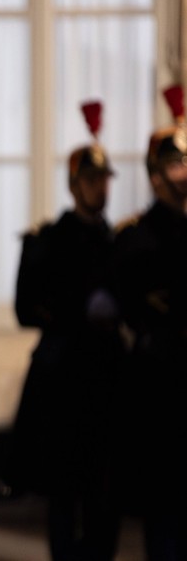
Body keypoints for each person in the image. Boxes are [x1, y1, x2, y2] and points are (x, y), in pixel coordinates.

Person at [10, 100, 125, 560]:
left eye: (105, 181)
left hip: (108, 379)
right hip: (64, 384)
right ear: (75, 184)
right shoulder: (48, 241)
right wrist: (79, 309)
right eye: (93, 180)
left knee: (106, 494)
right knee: (64, 495)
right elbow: (26, 309)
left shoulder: (119, 242)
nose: (101, 189)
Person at [111, 84, 187, 560]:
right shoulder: (137, 239)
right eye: (177, 166)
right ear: (156, 175)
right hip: (164, 391)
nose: (185, 175)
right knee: (166, 516)